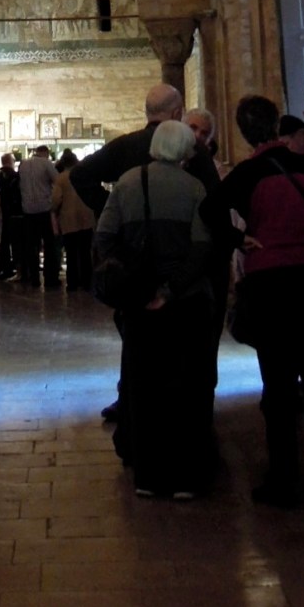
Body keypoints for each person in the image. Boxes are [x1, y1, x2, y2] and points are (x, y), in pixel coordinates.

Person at [203, 94, 304, 507]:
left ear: (243, 131)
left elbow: (210, 210)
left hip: (270, 281)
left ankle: (283, 478)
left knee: (279, 384)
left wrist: (239, 239)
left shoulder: (248, 173)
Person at [72, 85, 220, 418]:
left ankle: (133, 409)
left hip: (135, 267)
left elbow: (80, 175)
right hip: (182, 272)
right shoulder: (195, 159)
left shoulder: (125, 149)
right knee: (183, 351)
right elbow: (212, 215)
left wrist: (112, 211)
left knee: (137, 342)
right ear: (178, 113)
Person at [93, 120, 216, 499]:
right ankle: (184, 478)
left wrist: (134, 284)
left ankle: (147, 475)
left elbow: (104, 237)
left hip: (138, 301)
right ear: (185, 150)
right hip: (185, 300)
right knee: (185, 385)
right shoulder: (194, 187)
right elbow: (202, 247)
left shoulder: (127, 183)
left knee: (143, 386)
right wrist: (171, 289)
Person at [51, 148, 95, 291]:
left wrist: (54, 211)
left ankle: (72, 283)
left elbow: (56, 199)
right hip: (86, 217)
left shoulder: (61, 178)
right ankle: (87, 281)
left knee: (71, 253)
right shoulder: (85, 175)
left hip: (68, 219)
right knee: (85, 251)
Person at [18, 145, 59, 287]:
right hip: (44, 208)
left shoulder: (23, 165)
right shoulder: (46, 163)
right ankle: (50, 278)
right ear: (46, 153)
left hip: (28, 210)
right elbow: (57, 181)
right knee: (49, 244)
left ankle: (34, 277)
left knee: (31, 245)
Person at [0, 151, 22, 278]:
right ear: (11, 162)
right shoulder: (15, 176)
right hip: (14, 212)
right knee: (16, 241)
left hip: (1, 210)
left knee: (3, 241)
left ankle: (4, 266)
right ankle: (18, 266)